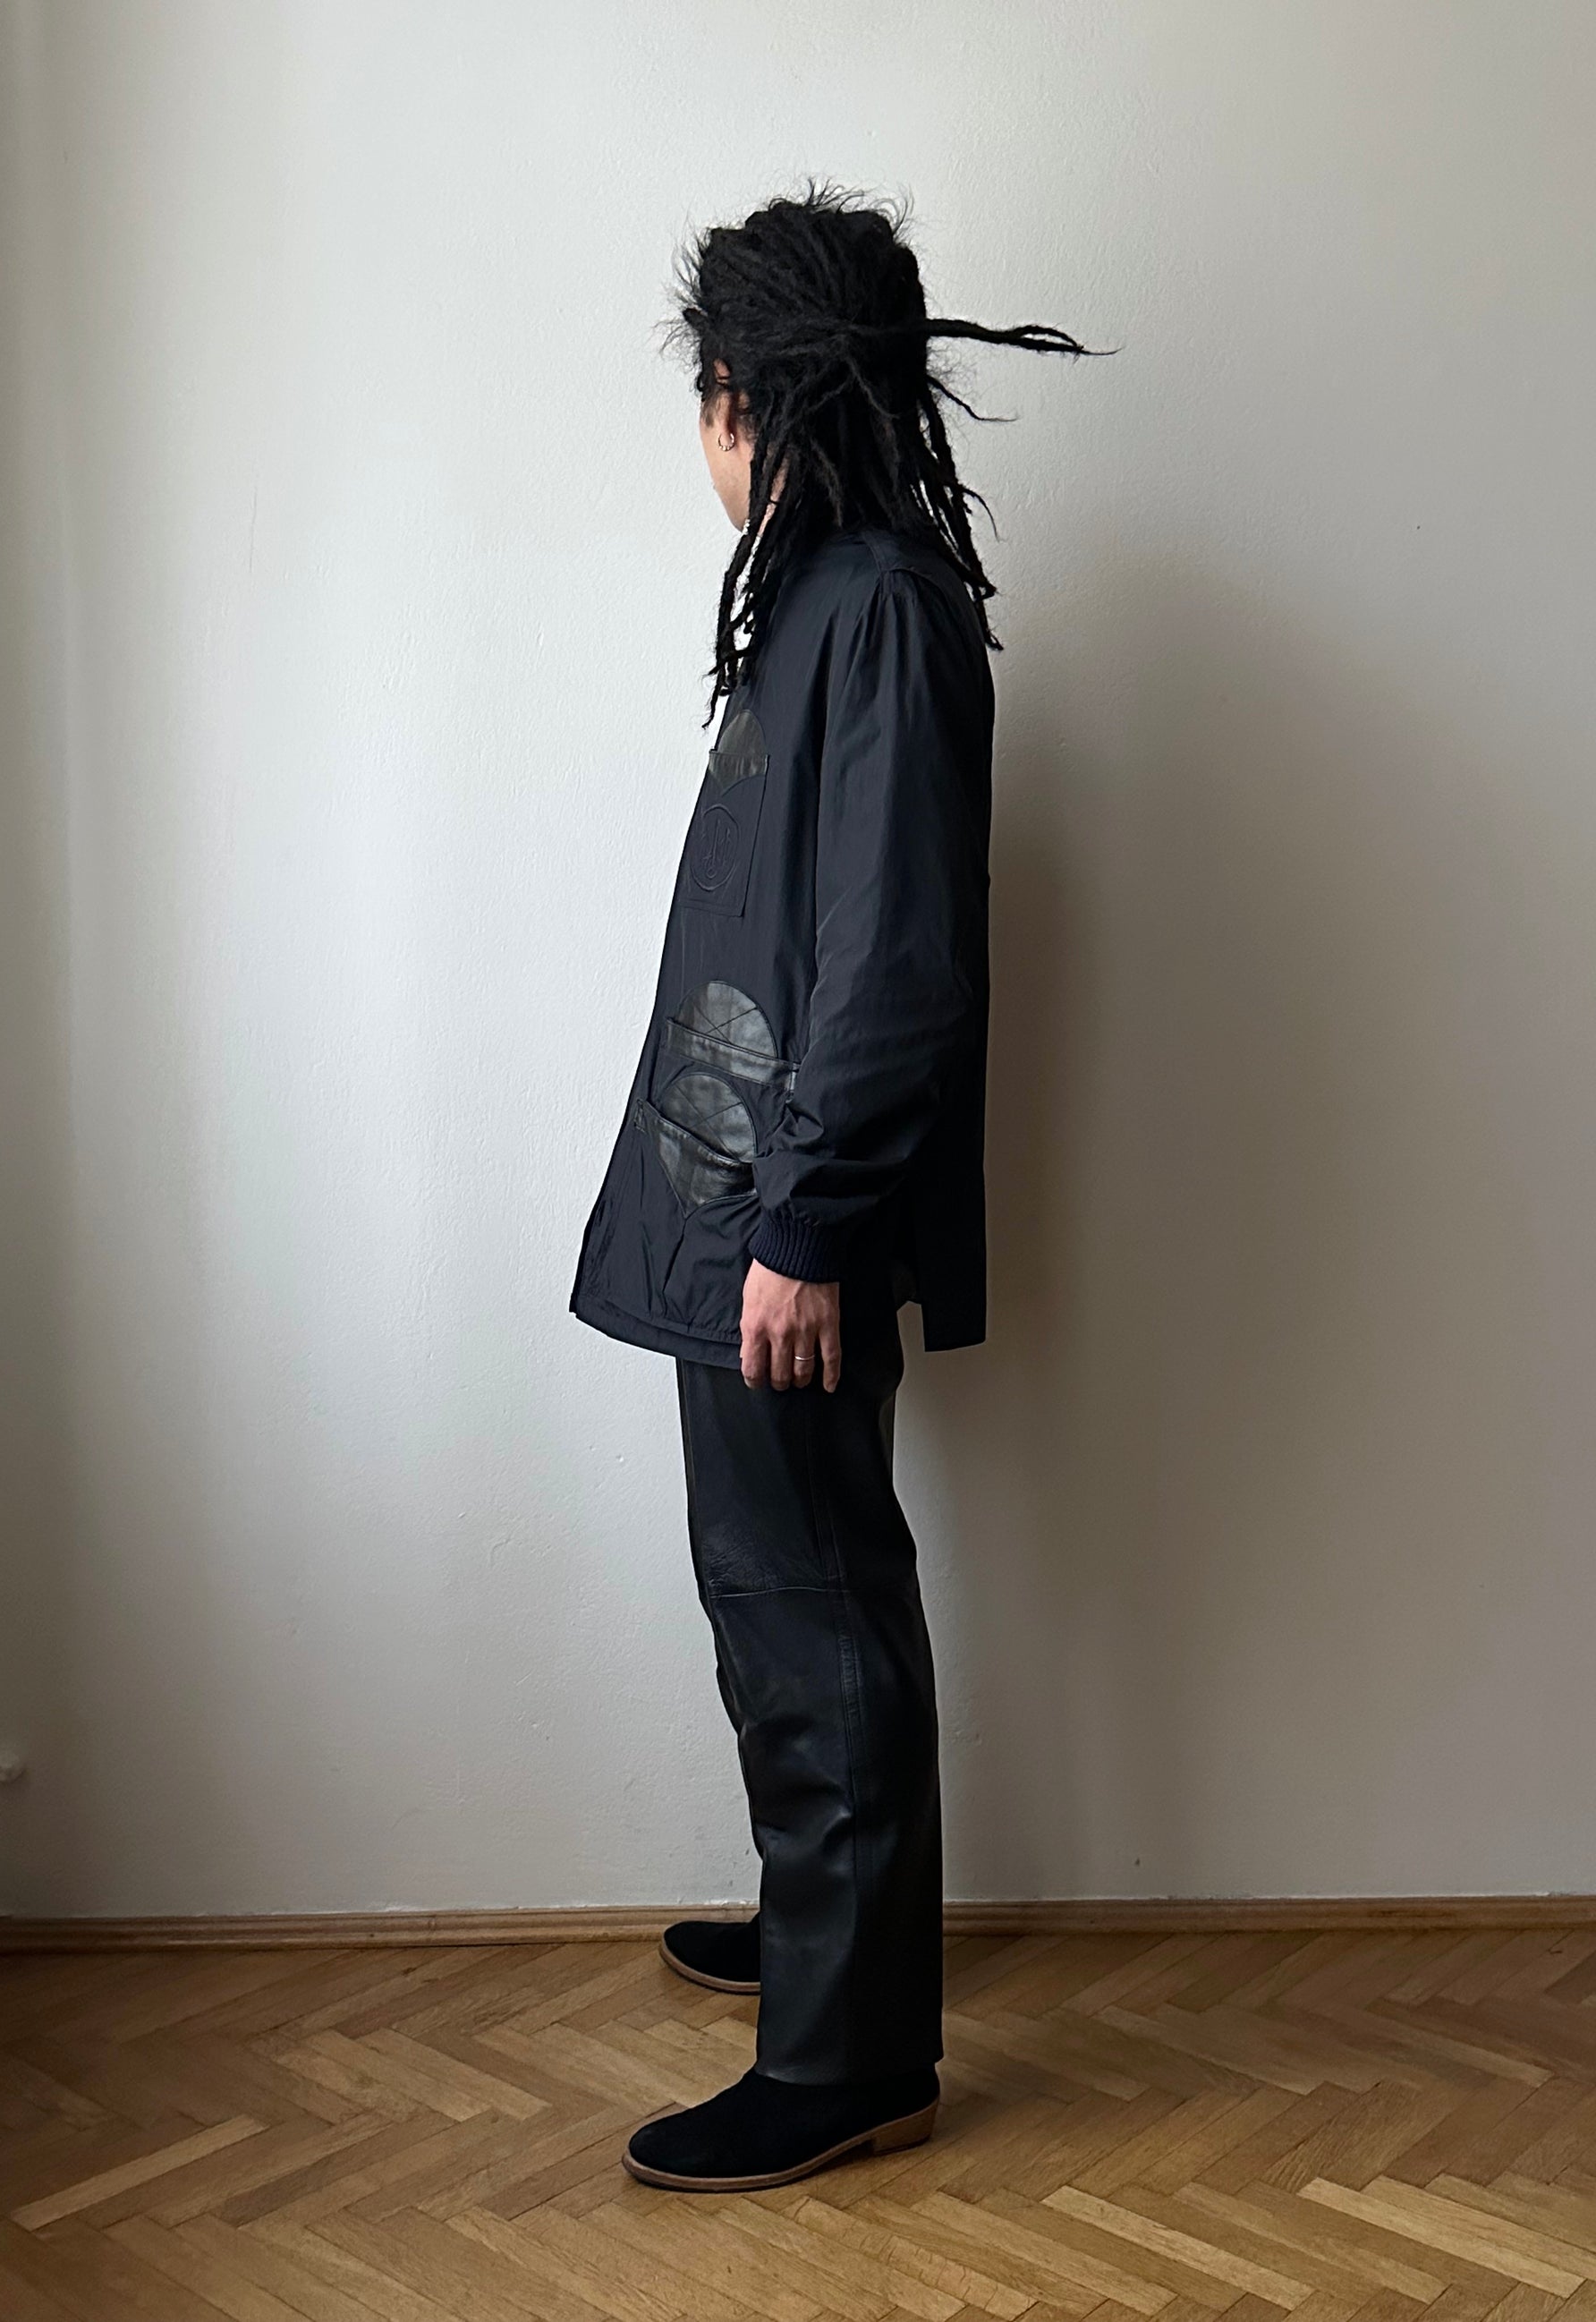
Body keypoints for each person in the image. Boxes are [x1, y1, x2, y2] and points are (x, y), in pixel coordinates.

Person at [568, 180, 1106, 2192]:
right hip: (738, 1203)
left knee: (811, 1602)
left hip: (777, 1220)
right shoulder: (820, 596)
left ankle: (851, 2050)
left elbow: (890, 967)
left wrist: (802, 1227)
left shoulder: (869, 604)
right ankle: (827, 1927)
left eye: (706, 399)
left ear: (745, 394)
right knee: (780, 1589)